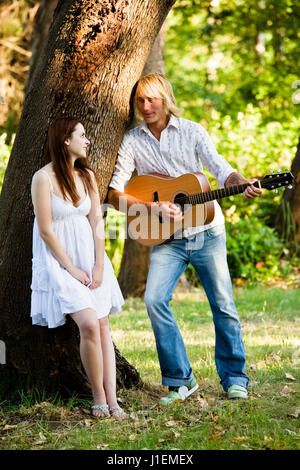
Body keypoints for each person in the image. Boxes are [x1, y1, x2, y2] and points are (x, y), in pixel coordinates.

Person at [107, 73, 262, 405]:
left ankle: (235, 378)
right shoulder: (132, 140)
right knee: (153, 300)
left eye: (152, 100)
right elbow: (113, 193)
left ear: (166, 99)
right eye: (140, 101)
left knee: (223, 304)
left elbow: (221, 169)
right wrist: (152, 207)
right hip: (167, 239)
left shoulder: (191, 130)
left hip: (207, 232)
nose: (146, 107)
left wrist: (242, 181)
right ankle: (180, 381)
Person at [31, 117, 128, 419]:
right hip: (60, 262)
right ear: (65, 140)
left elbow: (97, 222)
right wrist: (71, 268)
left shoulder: (87, 176)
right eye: (82, 135)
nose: (87, 141)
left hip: (90, 259)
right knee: (87, 324)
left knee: (102, 326)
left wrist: (99, 265)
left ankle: (113, 401)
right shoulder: (42, 178)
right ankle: (98, 398)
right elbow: (46, 230)